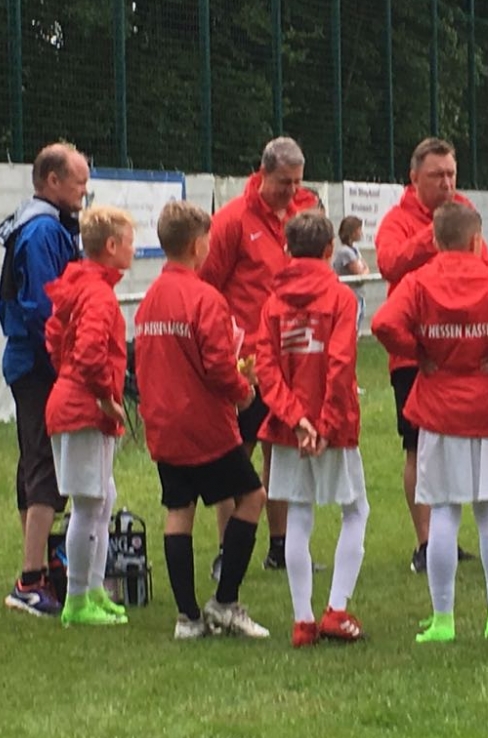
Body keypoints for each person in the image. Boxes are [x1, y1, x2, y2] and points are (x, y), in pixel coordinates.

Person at [372, 202, 488, 643]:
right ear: (476, 241)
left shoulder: (418, 282)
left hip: (438, 407)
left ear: (434, 241)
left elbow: (383, 324)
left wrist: (419, 352)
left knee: (444, 512)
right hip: (485, 405)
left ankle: (444, 620)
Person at [134, 201, 269, 639]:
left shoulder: (150, 299)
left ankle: (187, 617)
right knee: (252, 496)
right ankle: (225, 602)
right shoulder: (205, 297)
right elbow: (217, 365)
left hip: (164, 422)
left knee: (179, 509)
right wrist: (243, 390)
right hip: (203, 423)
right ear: (197, 246)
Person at [199, 136, 319, 576]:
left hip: (290, 358)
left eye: (297, 182)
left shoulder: (302, 214)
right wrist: (225, 346)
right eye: (284, 182)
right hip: (247, 361)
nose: (292, 191)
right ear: (263, 173)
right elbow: (207, 285)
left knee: (282, 452)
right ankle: (227, 549)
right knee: (238, 452)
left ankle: (281, 546)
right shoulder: (232, 220)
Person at [374, 137, 488, 573]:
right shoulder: (398, 219)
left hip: (462, 351)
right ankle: (426, 542)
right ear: (414, 178)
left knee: (459, 447)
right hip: (415, 356)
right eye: (436, 175)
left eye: (451, 174)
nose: (446, 183)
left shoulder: (465, 210)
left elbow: (486, 270)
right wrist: (435, 234)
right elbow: (389, 263)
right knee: (418, 446)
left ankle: (448, 537)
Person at [255, 214, 369, 648]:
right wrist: (324, 424)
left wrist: (296, 419)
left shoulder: (272, 301)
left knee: (299, 516)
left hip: (290, 427)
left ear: (287, 249)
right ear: (328, 251)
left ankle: (302, 620)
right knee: (355, 511)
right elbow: (340, 364)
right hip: (332, 424)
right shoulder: (340, 297)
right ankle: (336, 609)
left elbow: (266, 369)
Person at [0, 142, 88, 617]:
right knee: (45, 467)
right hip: (38, 363)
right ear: (53, 181)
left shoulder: (41, 222)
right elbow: (43, 308)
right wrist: (67, 364)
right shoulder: (42, 231)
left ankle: (41, 563)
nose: (84, 192)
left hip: (30, 360)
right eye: (79, 182)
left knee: (34, 462)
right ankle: (30, 580)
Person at [44, 205, 134, 626]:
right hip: (83, 409)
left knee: (102, 497)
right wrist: (104, 397)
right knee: (88, 503)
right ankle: (77, 599)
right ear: (111, 246)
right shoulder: (98, 294)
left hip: (70, 401)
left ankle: (94, 588)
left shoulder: (79, 284)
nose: (132, 249)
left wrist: (68, 376)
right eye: (129, 242)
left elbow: (55, 336)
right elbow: (90, 352)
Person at [332, 215, 370, 333]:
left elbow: (365, 268)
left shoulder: (355, 250)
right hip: (350, 297)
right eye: (359, 229)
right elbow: (360, 274)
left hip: (359, 295)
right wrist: (364, 271)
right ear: (352, 232)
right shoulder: (345, 252)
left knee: (356, 329)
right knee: (350, 330)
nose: (361, 232)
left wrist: (365, 271)